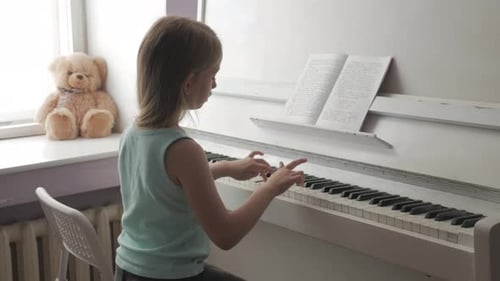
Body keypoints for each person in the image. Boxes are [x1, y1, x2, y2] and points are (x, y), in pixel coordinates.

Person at [115, 16, 306, 281]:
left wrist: (226, 168)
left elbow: (166, 182)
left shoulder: (133, 133)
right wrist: (270, 188)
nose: (215, 85)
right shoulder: (184, 149)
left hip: (129, 270)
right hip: (169, 276)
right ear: (189, 82)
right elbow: (226, 235)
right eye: (213, 75)